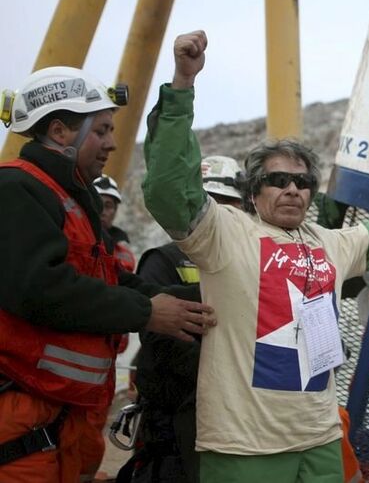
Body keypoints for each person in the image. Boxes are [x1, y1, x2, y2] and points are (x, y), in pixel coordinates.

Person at [142, 30, 369, 483]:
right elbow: (170, 189)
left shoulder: (327, 242)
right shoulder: (224, 233)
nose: (291, 189)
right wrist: (183, 84)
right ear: (253, 190)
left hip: (320, 440)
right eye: (278, 180)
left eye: (302, 182)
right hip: (245, 446)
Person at [0, 66, 215, 482]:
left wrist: (198, 300)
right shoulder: (16, 191)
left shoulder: (72, 199)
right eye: (101, 130)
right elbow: (39, 288)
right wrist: (146, 312)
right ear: (60, 132)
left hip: (60, 418)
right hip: (21, 419)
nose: (113, 144)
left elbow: (111, 278)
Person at [130, 155, 245, 483]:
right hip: (178, 425)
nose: (221, 213)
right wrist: (234, 370)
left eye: (230, 203)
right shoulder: (163, 260)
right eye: (213, 203)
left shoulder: (252, 265)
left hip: (239, 422)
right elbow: (161, 340)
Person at [94, 174, 137, 272]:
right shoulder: (74, 239)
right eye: (97, 204)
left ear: (115, 211)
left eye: (108, 206)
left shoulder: (125, 256)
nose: (102, 212)